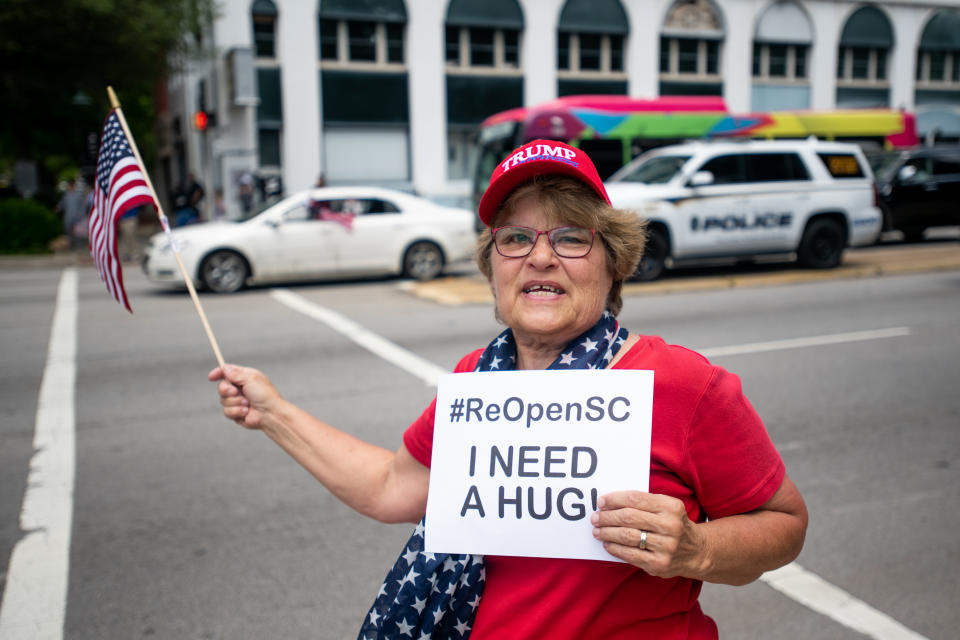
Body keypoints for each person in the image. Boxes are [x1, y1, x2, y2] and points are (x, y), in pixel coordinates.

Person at [209, 139, 807, 638]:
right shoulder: (478, 381)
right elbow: (391, 488)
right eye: (515, 239)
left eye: (570, 238)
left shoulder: (681, 383)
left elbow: (784, 524)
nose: (540, 258)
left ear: (612, 262)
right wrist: (274, 412)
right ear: (493, 267)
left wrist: (695, 550)